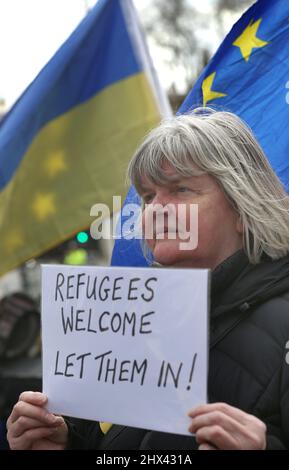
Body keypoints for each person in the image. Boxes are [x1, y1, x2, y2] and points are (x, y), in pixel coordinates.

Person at [6, 108, 289, 450]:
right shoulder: (126, 319)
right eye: (148, 197)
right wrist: (64, 440)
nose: (156, 209)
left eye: (182, 190)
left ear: (244, 208)